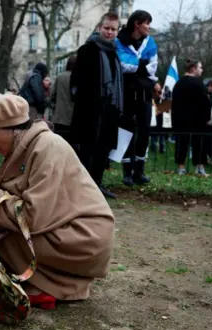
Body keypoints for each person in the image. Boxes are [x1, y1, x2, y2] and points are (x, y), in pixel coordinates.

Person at [0, 95, 115, 308]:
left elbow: (32, 218)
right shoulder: (24, 149)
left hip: (82, 237)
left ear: (13, 129)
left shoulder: (47, 147)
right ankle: (48, 285)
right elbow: (10, 204)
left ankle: (47, 287)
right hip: (64, 230)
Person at [71, 12, 123, 199]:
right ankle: (84, 187)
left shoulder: (114, 53)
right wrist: (86, 101)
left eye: (113, 29)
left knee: (103, 149)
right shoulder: (87, 50)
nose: (109, 32)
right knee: (87, 149)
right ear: (99, 28)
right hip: (90, 110)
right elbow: (75, 82)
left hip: (109, 110)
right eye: (106, 28)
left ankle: (97, 184)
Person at [116, 10, 158, 186]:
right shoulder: (119, 41)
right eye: (146, 23)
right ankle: (127, 171)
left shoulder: (150, 42)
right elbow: (122, 64)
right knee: (126, 131)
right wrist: (141, 65)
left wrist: (137, 66)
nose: (149, 27)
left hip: (145, 94)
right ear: (137, 24)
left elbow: (153, 67)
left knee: (144, 131)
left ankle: (139, 170)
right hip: (127, 93)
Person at [171, 59, 212, 176]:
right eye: (200, 67)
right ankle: (199, 167)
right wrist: (207, 117)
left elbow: (174, 103)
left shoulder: (178, 83)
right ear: (193, 69)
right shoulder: (198, 83)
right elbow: (205, 102)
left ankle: (180, 167)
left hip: (181, 119)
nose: (202, 70)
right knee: (199, 143)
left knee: (181, 143)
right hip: (197, 119)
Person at [50, 55, 76, 144]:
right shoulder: (80, 78)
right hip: (73, 120)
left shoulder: (60, 77)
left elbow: (52, 96)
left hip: (59, 118)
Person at [150, 82, 166, 154]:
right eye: (156, 85)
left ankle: (162, 148)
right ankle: (153, 148)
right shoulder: (152, 94)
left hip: (161, 117)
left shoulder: (163, 94)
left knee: (162, 133)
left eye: (158, 85)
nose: (157, 86)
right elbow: (152, 102)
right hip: (154, 116)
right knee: (154, 132)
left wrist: (163, 96)